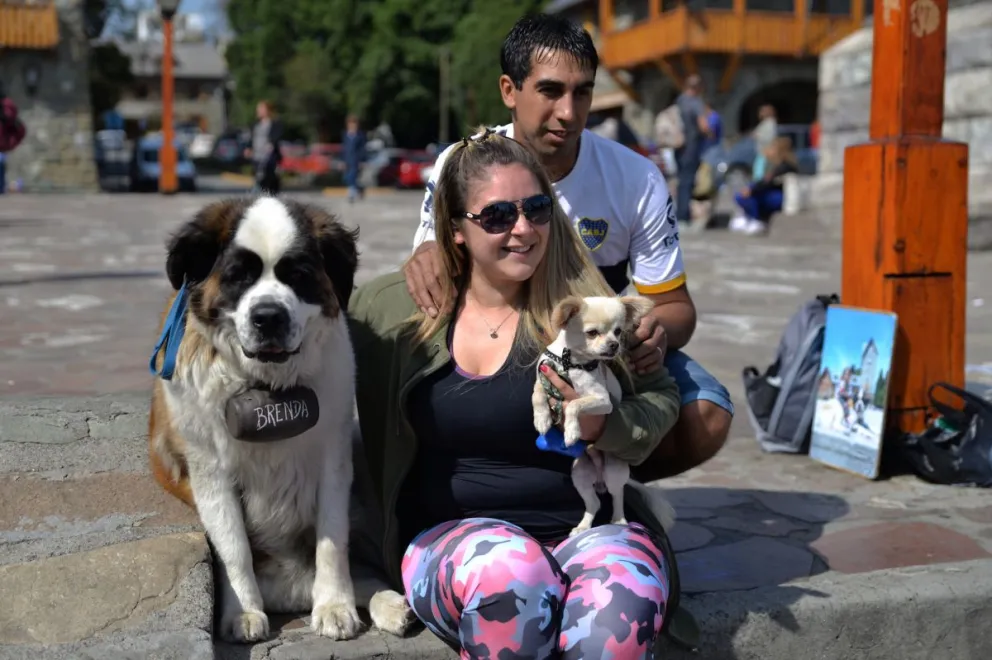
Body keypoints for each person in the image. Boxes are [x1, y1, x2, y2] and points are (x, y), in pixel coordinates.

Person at [349, 130, 681, 658]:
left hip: (586, 529)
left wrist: (606, 427)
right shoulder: (393, 309)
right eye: (498, 215)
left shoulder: (583, 306)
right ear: (455, 229)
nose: (523, 229)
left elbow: (662, 398)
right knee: (515, 579)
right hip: (453, 540)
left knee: (618, 616)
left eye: (537, 208)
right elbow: (304, 330)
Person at [404, 13, 732, 481]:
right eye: (551, 90)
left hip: (595, 351)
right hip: (495, 342)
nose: (570, 112)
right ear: (508, 90)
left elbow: (676, 307)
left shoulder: (637, 178)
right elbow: (425, 270)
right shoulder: (461, 164)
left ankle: (613, 484)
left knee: (708, 412)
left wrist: (656, 331)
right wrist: (424, 253)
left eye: (583, 92)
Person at [730, 136, 798, 236]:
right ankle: (749, 218)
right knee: (745, 194)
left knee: (746, 197)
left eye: (773, 148)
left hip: (779, 197)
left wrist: (751, 190)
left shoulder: (784, 166)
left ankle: (755, 219)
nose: (770, 151)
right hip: (774, 193)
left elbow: (767, 182)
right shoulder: (780, 165)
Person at [672, 75, 710, 225]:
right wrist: (710, 134)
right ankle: (683, 215)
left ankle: (677, 212)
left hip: (676, 146)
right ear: (699, 88)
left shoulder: (679, 101)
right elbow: (703, 126)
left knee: (680, 180)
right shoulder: (696, 102)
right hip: (690, 147)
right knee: (688, 181)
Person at [244, 100, 283, 195]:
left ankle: (272, 194)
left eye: (261, 109)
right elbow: (251, 137)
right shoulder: (255, 124)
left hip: (270, 156)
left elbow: (276, 136)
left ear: (268, 111)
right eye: (258, 109)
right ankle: (259, 194)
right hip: (257, 155)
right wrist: (248, 148)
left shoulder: (275, 124)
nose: (259, 111)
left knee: (270, 177)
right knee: (258, 177)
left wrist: (271, 144)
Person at [342, 114, 367, 203]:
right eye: (350, 123)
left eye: (354, 123)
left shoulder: (360, 135)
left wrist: (362, 161)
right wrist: (343, 161)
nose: (352, 125)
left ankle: (351, 194)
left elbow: (362, 149)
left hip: (356, 160)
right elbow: (344, 149)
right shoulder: (345, 135)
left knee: (352, 176)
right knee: (346, 177)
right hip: (348, 159)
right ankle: (360, 188)